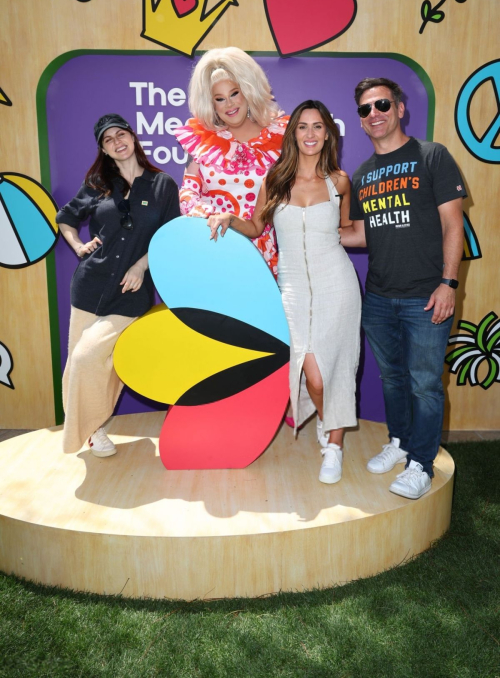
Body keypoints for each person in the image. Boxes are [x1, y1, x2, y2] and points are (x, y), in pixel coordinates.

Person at [208, 100, 361, 484]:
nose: (310, 134)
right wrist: (229, 217)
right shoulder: (274, 179)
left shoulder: (339, 181)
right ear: (293, 133)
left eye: (318, 127)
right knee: (312, 372)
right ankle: (329, 421)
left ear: (328, 133)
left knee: (334, 367)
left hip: (336, 281)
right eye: (302, 127)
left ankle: (334, 445)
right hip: (291, 283)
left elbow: (348, 230)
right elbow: (257, 226)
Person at [341, 77, 466, 499]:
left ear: (399, 109)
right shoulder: (362, 175)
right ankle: (400, 442)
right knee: (393, 379)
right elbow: (358, 235)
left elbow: (453, 224)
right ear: (360, 121)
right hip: (377, 297)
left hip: (426, 296)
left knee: (425, 384)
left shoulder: (432, 156)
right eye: (364, 110)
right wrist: (305, 227)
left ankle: (421, 464)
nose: (373, 114)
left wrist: (448, 283)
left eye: (380, 105)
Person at [56, 114, 180, 457]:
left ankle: (83, 427)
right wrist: (78, 246)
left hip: (130, 292)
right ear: (104, 150)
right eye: (108, 139)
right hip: (89, 286)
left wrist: (141, 266)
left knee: (86, 358)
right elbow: (65, 218)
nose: (116, 141)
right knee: (77, 363)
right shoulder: (97, 183)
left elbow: (168, 237)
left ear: (133, 137)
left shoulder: (162, 184)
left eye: (120, 134)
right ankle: (94, 431)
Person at [174, 47, 289, 279]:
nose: (229, 104)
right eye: (219, 99)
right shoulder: (203, 139)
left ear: (248, 91)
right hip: (214, 246)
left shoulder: (281, 138)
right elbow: (187, 193)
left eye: (234, 93)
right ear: (212, 103)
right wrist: (214, 217)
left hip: (263, 252)